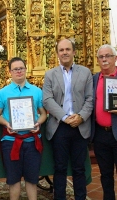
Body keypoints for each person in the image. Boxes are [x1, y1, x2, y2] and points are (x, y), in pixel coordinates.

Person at [43, 38, 93, 200]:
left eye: (67, 49)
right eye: (61, 50)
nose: (64, 52)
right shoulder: (50, 75)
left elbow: (90, 99)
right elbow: (47, 100)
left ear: (73, 52)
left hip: (80, 125)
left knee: (79, 168)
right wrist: (65, 117)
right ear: (57, 53)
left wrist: (81, 116)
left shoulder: (85, 72)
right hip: (59, 127)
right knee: (60, 168)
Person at [0, 57, 47, 200]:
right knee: (14, 179)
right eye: (15, 69)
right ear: (10, 72)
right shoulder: (2, 93)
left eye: (21, 68)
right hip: (11, 141)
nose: (19, 71)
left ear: (25, 69)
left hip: (32, 140)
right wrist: (6, 124)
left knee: (32, 178)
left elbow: (43, 113)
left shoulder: (37, 91)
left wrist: (38, 124)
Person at [91, 44, 117, 200]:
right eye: (101, 57)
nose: (104, 59)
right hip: (101, 134)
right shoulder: (94, 79)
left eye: (108, 56)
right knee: (105, 174)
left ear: (115, 58)